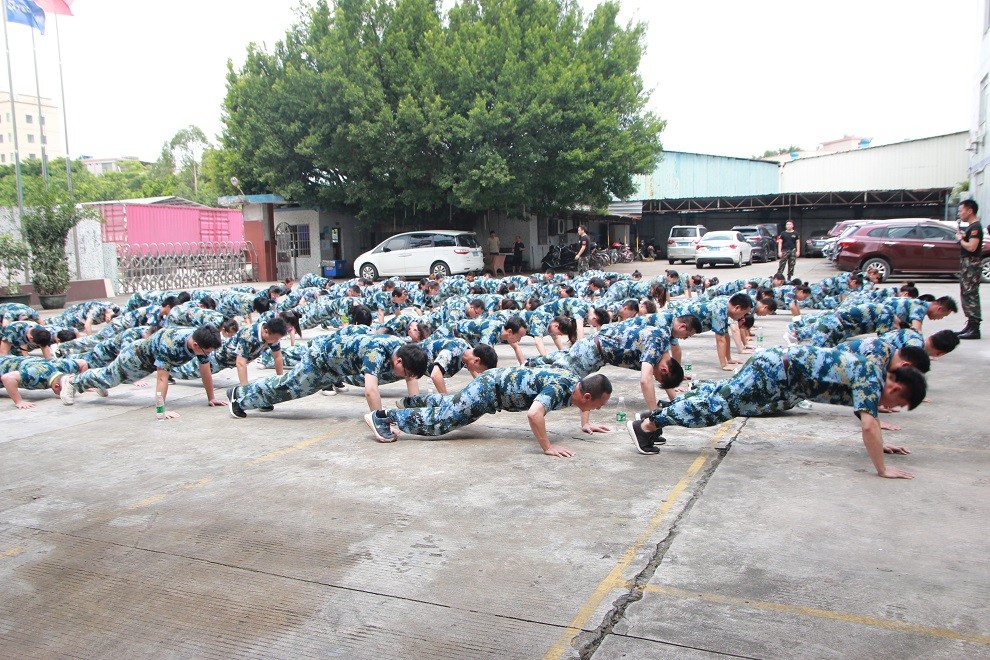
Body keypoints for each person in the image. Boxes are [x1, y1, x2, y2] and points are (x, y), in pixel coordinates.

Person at [628, 346, 927, 480]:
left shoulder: (871, 373)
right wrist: (883, 469)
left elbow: (869, 422)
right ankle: (650, 424)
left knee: (719, 397)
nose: (894, 406)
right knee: (719, 406)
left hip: (776, 368)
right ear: (899, 388)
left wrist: (880, 445)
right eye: (899, 403)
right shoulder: (872, 379)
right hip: (775, 372)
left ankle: (654, 418)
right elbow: (869, 427)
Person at [364, 367, 613, 457]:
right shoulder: (560, 388)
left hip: (494, 382)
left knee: (452, 404)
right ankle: (383, 417)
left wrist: (585, 423)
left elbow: (586, 400)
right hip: (488, 391)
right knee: (442, 422)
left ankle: (413, 401)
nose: (597, 410)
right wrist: (547, 447)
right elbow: (534, 414)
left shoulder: (578, 385)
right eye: (597, 406)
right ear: (587, 396)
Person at [227, 332, 428, 418]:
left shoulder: (402, 351)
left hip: (335, 369)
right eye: (406, 373)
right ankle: (240, 398)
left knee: (286, 386)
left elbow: (412, 378)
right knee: (288, 387)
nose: (405, 378)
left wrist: (414, 407)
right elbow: (370, 390)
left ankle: (249, 393)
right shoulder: (377, 351)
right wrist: (380, 420)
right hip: (320, 361)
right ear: (399, 361)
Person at [59, 325, 223, 416]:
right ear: (195, 345)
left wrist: (212, 398)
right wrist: (161, 411)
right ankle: (72, 381)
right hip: (134, 357)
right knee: (110, 377)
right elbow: (161, 379)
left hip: (148, 362)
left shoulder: (200, 341)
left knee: (113, 379)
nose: (207, 355)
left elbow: (205, 370)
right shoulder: (171, 345)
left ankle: (98, 382)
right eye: (207, 351)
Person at [955, 199, 983, 339]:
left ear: (970, 210)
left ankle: (974, 328)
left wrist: (961, 239)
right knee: (966, 293)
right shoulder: (971, 227)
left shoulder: (976, 227)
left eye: (961, 210)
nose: (959, 213)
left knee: (970, 293)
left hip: (971, 264)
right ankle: (970, 325)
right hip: (967, 263)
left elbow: (972, 247)